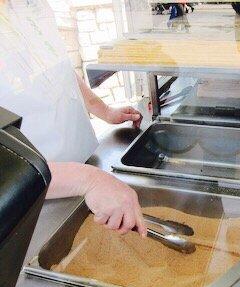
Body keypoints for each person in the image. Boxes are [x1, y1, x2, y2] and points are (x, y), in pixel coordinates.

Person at [0, 0, 146, 236]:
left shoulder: (31, 5)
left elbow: (57, 68)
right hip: (32, 201)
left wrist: (103, 110)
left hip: (86, 165)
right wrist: (88, 180)